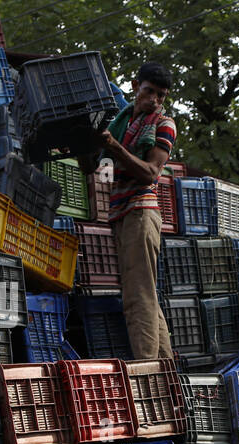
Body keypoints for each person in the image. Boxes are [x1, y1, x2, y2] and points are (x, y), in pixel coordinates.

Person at [98, 61, 177, 360]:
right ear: (135, 87)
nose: (154, 100)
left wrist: (115, 147)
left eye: (161, 95)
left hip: (141, 213)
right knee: (146, 295)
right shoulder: (120, 122)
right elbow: (94, 165)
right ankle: (164, 369)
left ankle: (146, 370)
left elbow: (150, 173)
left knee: (137, 297)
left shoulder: (163, 124)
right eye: (149, 91)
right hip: (122, 215)